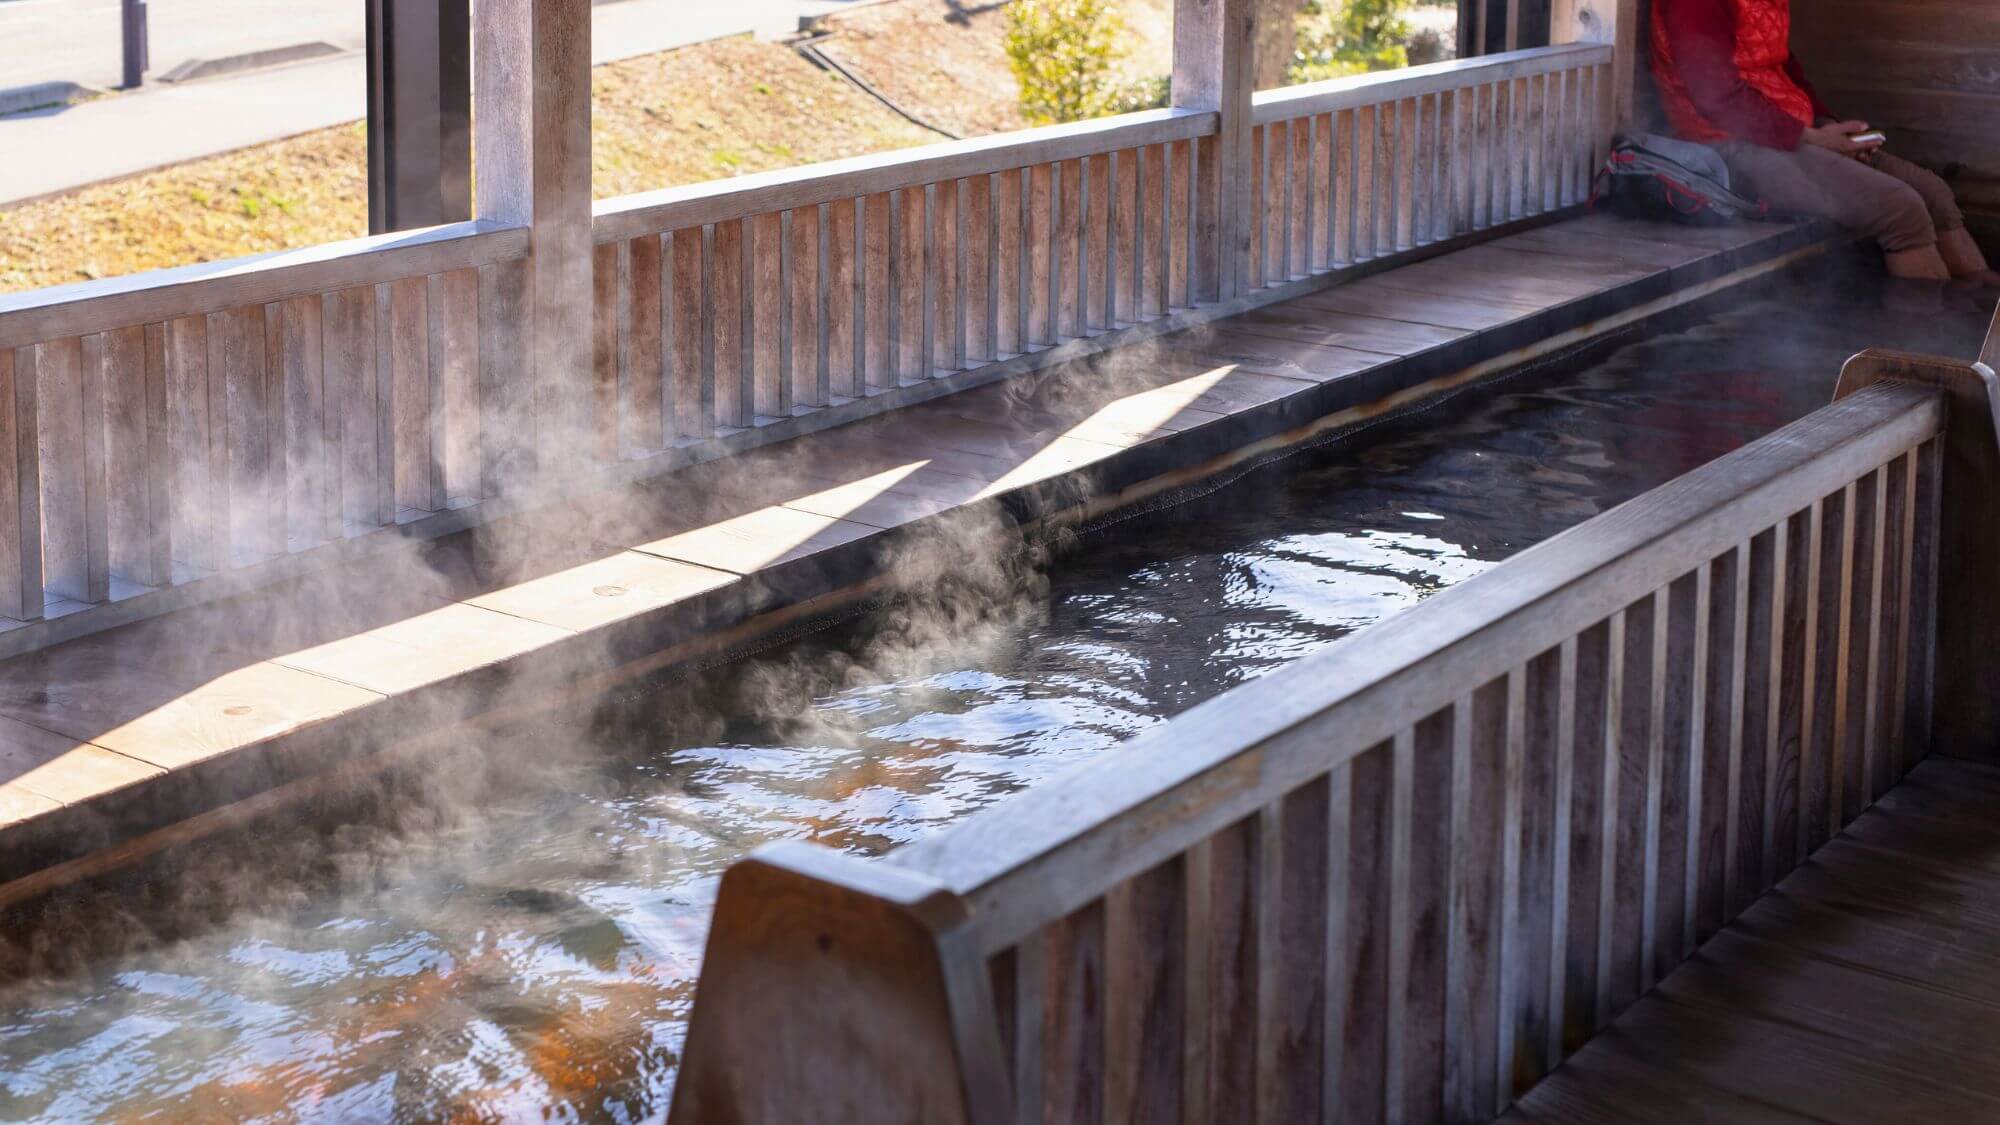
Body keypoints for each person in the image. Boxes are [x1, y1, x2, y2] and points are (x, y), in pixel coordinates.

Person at [1651, 0, 2000, 287]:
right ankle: (1928, 352)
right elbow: (1715, 97)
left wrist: (1829, 126)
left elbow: (1782, 66)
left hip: (1791, 132)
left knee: (1933, 192)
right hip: (1727, 145)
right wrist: (1815, 138)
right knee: (1900, 209)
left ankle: (1982, 330)